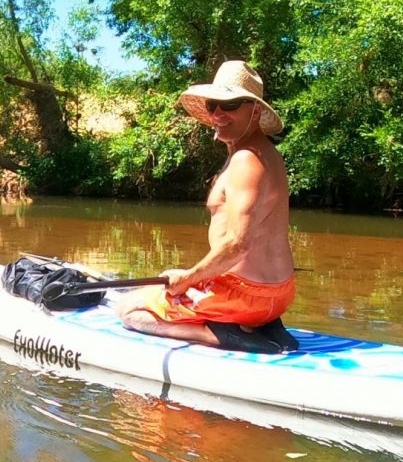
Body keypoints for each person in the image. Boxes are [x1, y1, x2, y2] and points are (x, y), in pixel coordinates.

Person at [116, 60, 295, 346]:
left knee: (128, 310)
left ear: (256, 109)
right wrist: (188, 276)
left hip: (247, 296)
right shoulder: (264, 154)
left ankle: (223, 334)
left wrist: (188, 280)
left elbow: (238, 243)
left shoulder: (246, 159)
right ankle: (260, 327)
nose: (219, 113)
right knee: (164, 277)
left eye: (231, 103)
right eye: (213, 105)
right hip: (276, 294)